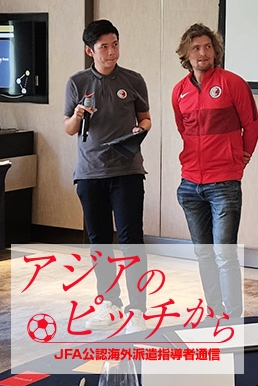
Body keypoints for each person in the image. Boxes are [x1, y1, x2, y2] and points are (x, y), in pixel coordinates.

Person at [64, 19, 151, 333]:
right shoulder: (77, 82)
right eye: (104, 47)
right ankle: (109, 304)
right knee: (99, 242)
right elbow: (68, 128)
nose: (111, 51)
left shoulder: (133, 79)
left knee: (131, 241)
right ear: (90, 50)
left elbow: (146, 118)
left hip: (127, 170)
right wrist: (78, 114)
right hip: (90, 174)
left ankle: (137, 310)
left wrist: (140, 130)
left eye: (115, 44)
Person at [172, 23, 258, 318]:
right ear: (186, 54)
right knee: (203, 254)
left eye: (208, 47)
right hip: (190, 184)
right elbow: (183, 130)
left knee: (224, 254)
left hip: (224, 183)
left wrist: (242, 156)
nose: (203, 53)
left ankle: (232, 318)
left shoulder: (233, 83)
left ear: (216, 51)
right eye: (196, 48)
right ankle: (213, 312)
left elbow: (252, 125)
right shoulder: (179, 92)